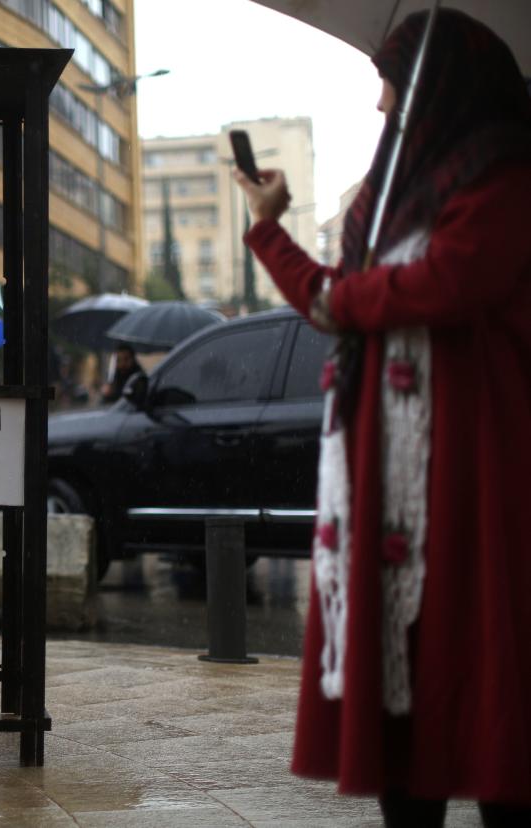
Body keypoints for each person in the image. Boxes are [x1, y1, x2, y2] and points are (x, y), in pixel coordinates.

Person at [235, 10, 531, 825]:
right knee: (408, 691)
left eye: (392, 82)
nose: (381, 105)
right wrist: (270, 230)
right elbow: (339, 304)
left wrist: (339, 294)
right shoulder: (398, 198)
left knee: (484, 671)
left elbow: (444, 284)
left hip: (473, 472)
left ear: (439, 85)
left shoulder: (506, 182)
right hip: (394, 480)